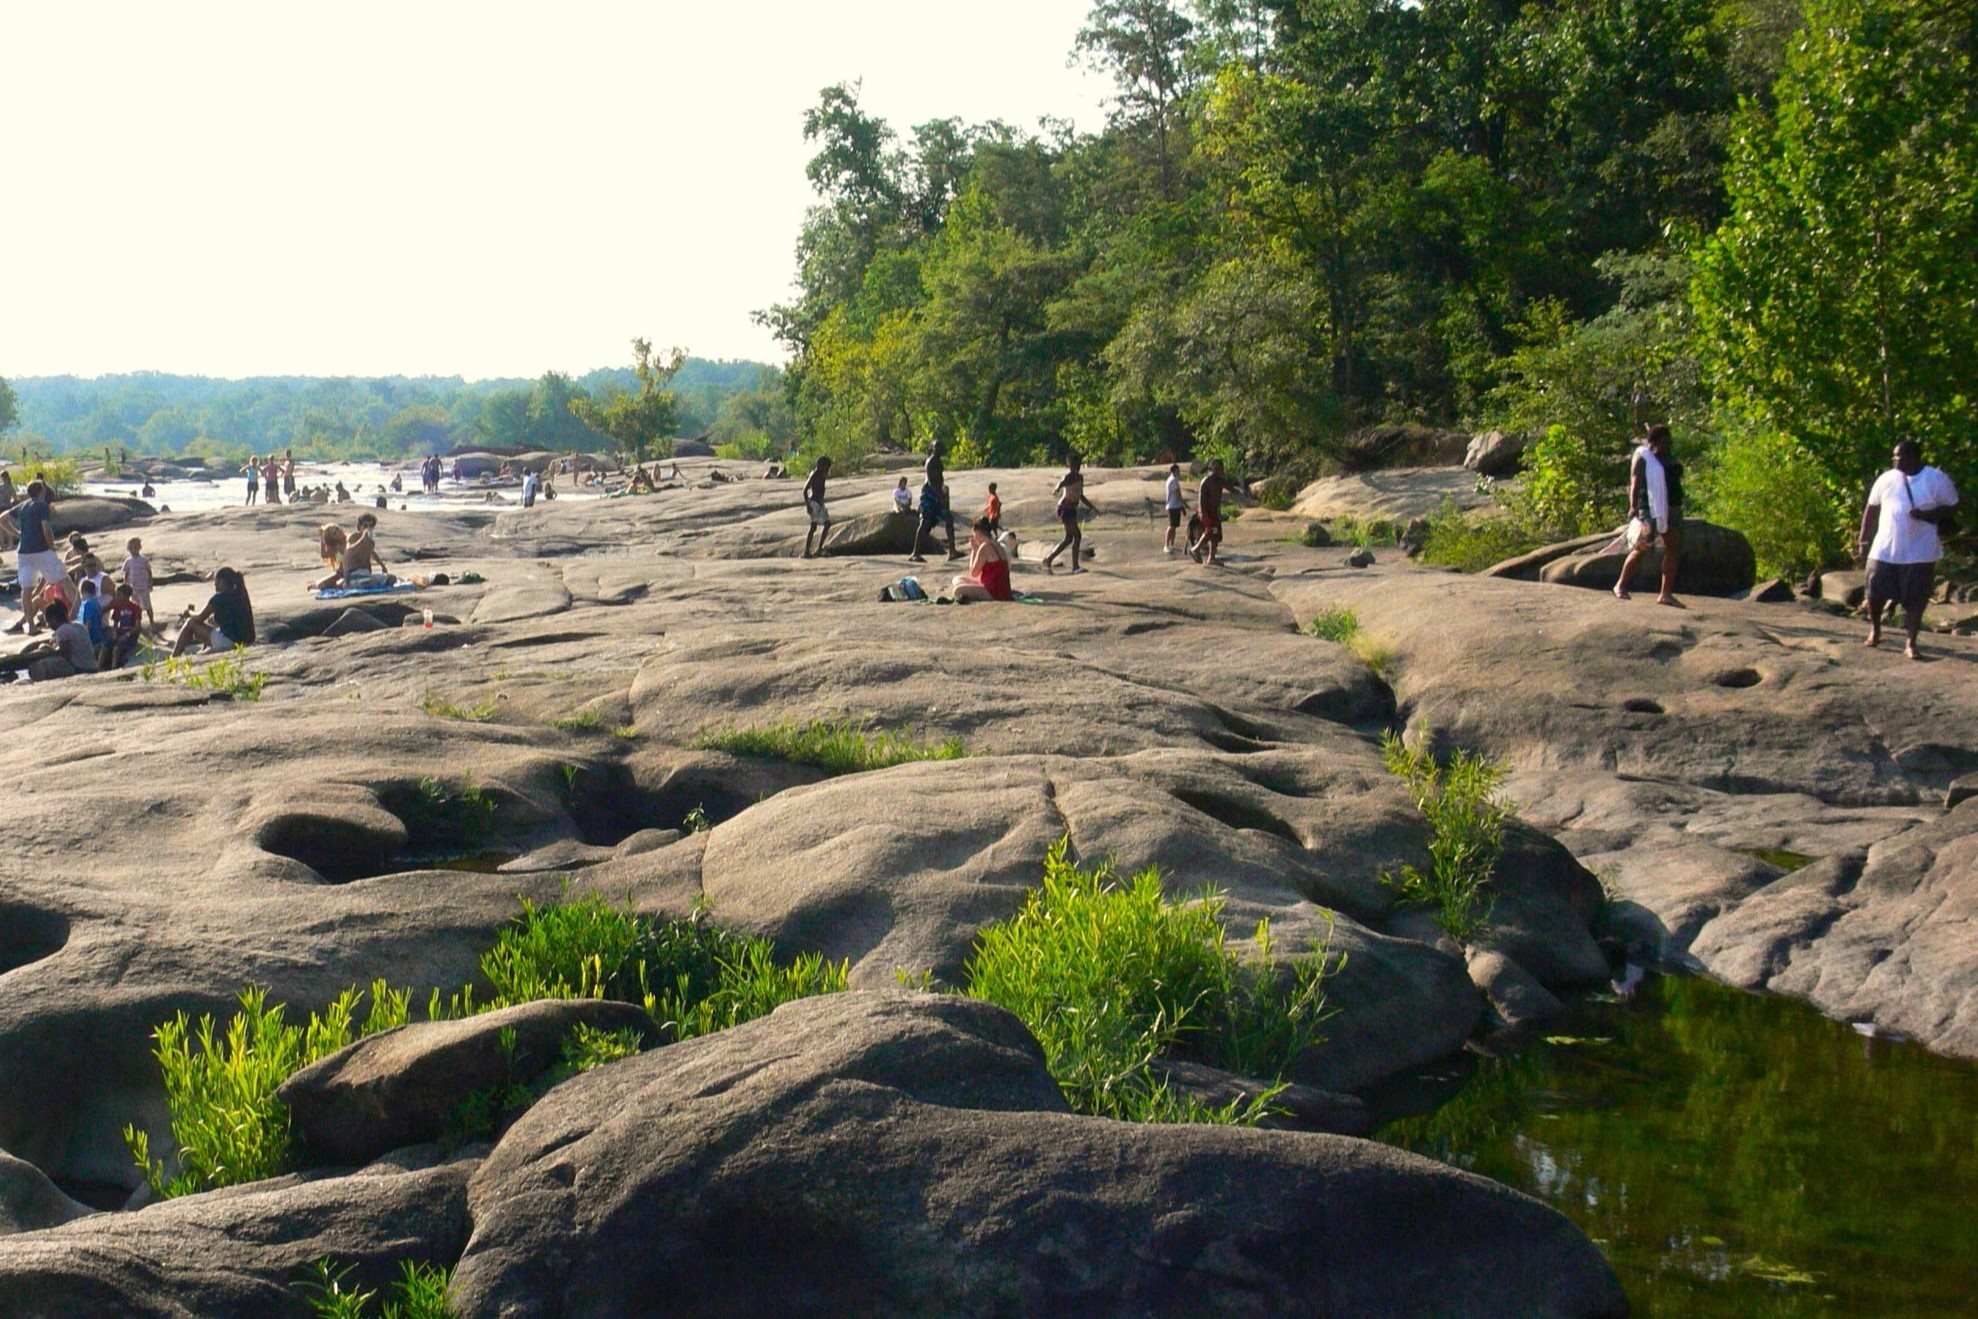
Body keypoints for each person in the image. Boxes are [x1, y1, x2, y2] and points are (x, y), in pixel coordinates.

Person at [1858, 439, 1959, 660]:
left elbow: (1952, 506)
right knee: (1874, 592)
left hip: (1919, 551)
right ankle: (1875, 631)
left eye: (1900, 456)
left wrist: (1926, 515)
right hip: (1884, 548)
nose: (1895, 460)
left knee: (1916, 598)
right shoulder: (1886, 479)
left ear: (1915, 457)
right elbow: (1872, 508)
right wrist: (1863, 540)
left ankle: (1911, 642)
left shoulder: (1935, 479)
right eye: (1894, 456)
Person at [1613, 424, 1684, 606]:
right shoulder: (1645, 458)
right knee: (1642, 548)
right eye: (1664, 441)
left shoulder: (1670, 459)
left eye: (1669, 441)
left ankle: (1665, 594)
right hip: (1650, 509)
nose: (1667, 444)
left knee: (1673, 549)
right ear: (1654, 442)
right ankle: (1620, 585)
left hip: (1673, 508)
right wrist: (1633, 506)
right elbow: (1635, 483)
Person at [8, 481, 72, 631]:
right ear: (41, 491)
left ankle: (30, 626)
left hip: (24, 552)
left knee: (26, 589)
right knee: (64, 580)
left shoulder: (23, 505)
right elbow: (46, 528)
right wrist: (52, 546)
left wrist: (17, 533)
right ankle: (76, 616)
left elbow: (3, 518)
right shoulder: (42, 505)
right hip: (41, 549)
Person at [0, 600, 97, 681]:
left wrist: (48, 651)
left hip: (80, 668)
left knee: (38, 665)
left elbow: (65, 654)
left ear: (54, 619)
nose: (47, 625)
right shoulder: (78, 626)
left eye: (48, 621)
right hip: (91, 665)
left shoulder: (62, 631)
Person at [172, 566, 255, 656]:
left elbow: (200, 617)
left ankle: (174, 656)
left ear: (222, 581)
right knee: (212, 623)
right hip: (243, 641)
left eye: (216, 581)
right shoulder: (240, 595)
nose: (215, 584)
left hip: (228, 642)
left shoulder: (218, 599)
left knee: (190, 623)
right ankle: (204, 650)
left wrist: (189, 613)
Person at [1043, 454, 1099, 574]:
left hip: (1072, 509)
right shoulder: (1068, 476)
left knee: (1069, 538)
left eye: (1077, 465)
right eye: (1074, 465)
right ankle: (1075, 566)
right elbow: (1061, 483)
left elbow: (1081, 495)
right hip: (1065, 508)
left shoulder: (1080, 477)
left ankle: (1049, 559)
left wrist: (1092, 507)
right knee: (1077, 536)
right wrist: (1056, 489)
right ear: (1070, 466)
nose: (1076, 468)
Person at [949, 516, 1014, 602]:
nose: (974, 538)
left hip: (994, 592)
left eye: (974, 535)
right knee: (957, 579)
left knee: (957, 590)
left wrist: (974, 550)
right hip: (1001, 589)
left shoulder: (984, 547)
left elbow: (973, 573)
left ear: (978, 533)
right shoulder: (997, 544)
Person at [923, 441, 959, 560]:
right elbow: (931, 482)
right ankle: (916, 552)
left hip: (937, 494)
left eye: (940, 446)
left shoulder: (938, 461)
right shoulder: (931, 462)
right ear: (932, 448)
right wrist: (940, 497)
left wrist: (944, 491)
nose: (939, 449)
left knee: (948, 520)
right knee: (925, 524)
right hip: (931, 495)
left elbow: (939, 480)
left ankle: (952, 551)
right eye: (936, 446)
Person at [1188, 459, 1228, 566]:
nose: (1220, 471)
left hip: (1215, 512)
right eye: (1218, 468)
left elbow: (1231, 489)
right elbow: (1200, 498)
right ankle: (1195, 549)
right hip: (1206, 511)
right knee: (1210, 530)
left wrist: (1244, 496)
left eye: (1221, 469)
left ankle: (1211, 558)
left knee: (1215, 535)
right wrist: (1202, 513)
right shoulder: (1206, 481)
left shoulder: (1220, 481)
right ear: (1213, 469)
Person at [105, 582, 143, 668]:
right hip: (120, 633)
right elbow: (115, 623)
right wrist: (114, 633)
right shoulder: (118, 607)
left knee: (116, 649)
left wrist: (127, 634)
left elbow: (138, 627)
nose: (117, 597)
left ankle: (113, 668)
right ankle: (99, 667)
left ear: (126, 596)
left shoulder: (135, 608)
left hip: (130, 635)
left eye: (119, 595)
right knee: (105, 646)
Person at [121, 537, 155, 631]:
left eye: (135, 547)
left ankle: (152, 622)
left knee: (147, 605)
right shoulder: (128, 561)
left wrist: (150, 583)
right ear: (128, 549)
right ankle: (137, 624)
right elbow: (126, 573)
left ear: (140, 547)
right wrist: (125, 584)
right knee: (135, 607)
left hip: (143, 587)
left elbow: (149, 571)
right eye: (131, 548)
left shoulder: (143, 560)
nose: (133, 550)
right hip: (133, 588)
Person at [801, 456, 832, 559]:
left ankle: (819, 549)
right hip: (814, 503)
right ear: (821, 465)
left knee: (827, 524)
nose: (827, 469)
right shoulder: (814, 474)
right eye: (826, 467)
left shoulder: (822, 474)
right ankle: (807, 551)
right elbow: (805, 490)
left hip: (820, 503)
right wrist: (808, 506)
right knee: (813, 527)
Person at [76, 579, 107, 665]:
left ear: (82, 591)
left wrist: (81, 639)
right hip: (98, 636)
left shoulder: (87, 604)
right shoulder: (96, 602)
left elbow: (88, 624)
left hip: (91, 639)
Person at [1162, 464, 1189, 555]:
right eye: (1178, 471)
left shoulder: (1172, 479)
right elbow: (1178, 495)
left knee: (1174, 527)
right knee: (1171, 526)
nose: (1179, 472)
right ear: (1173, 471)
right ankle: (1166, 545)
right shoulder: (1173, 480)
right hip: (1173, 506)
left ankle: (1171, 545)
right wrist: (1183, 506)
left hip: (1174, 506)